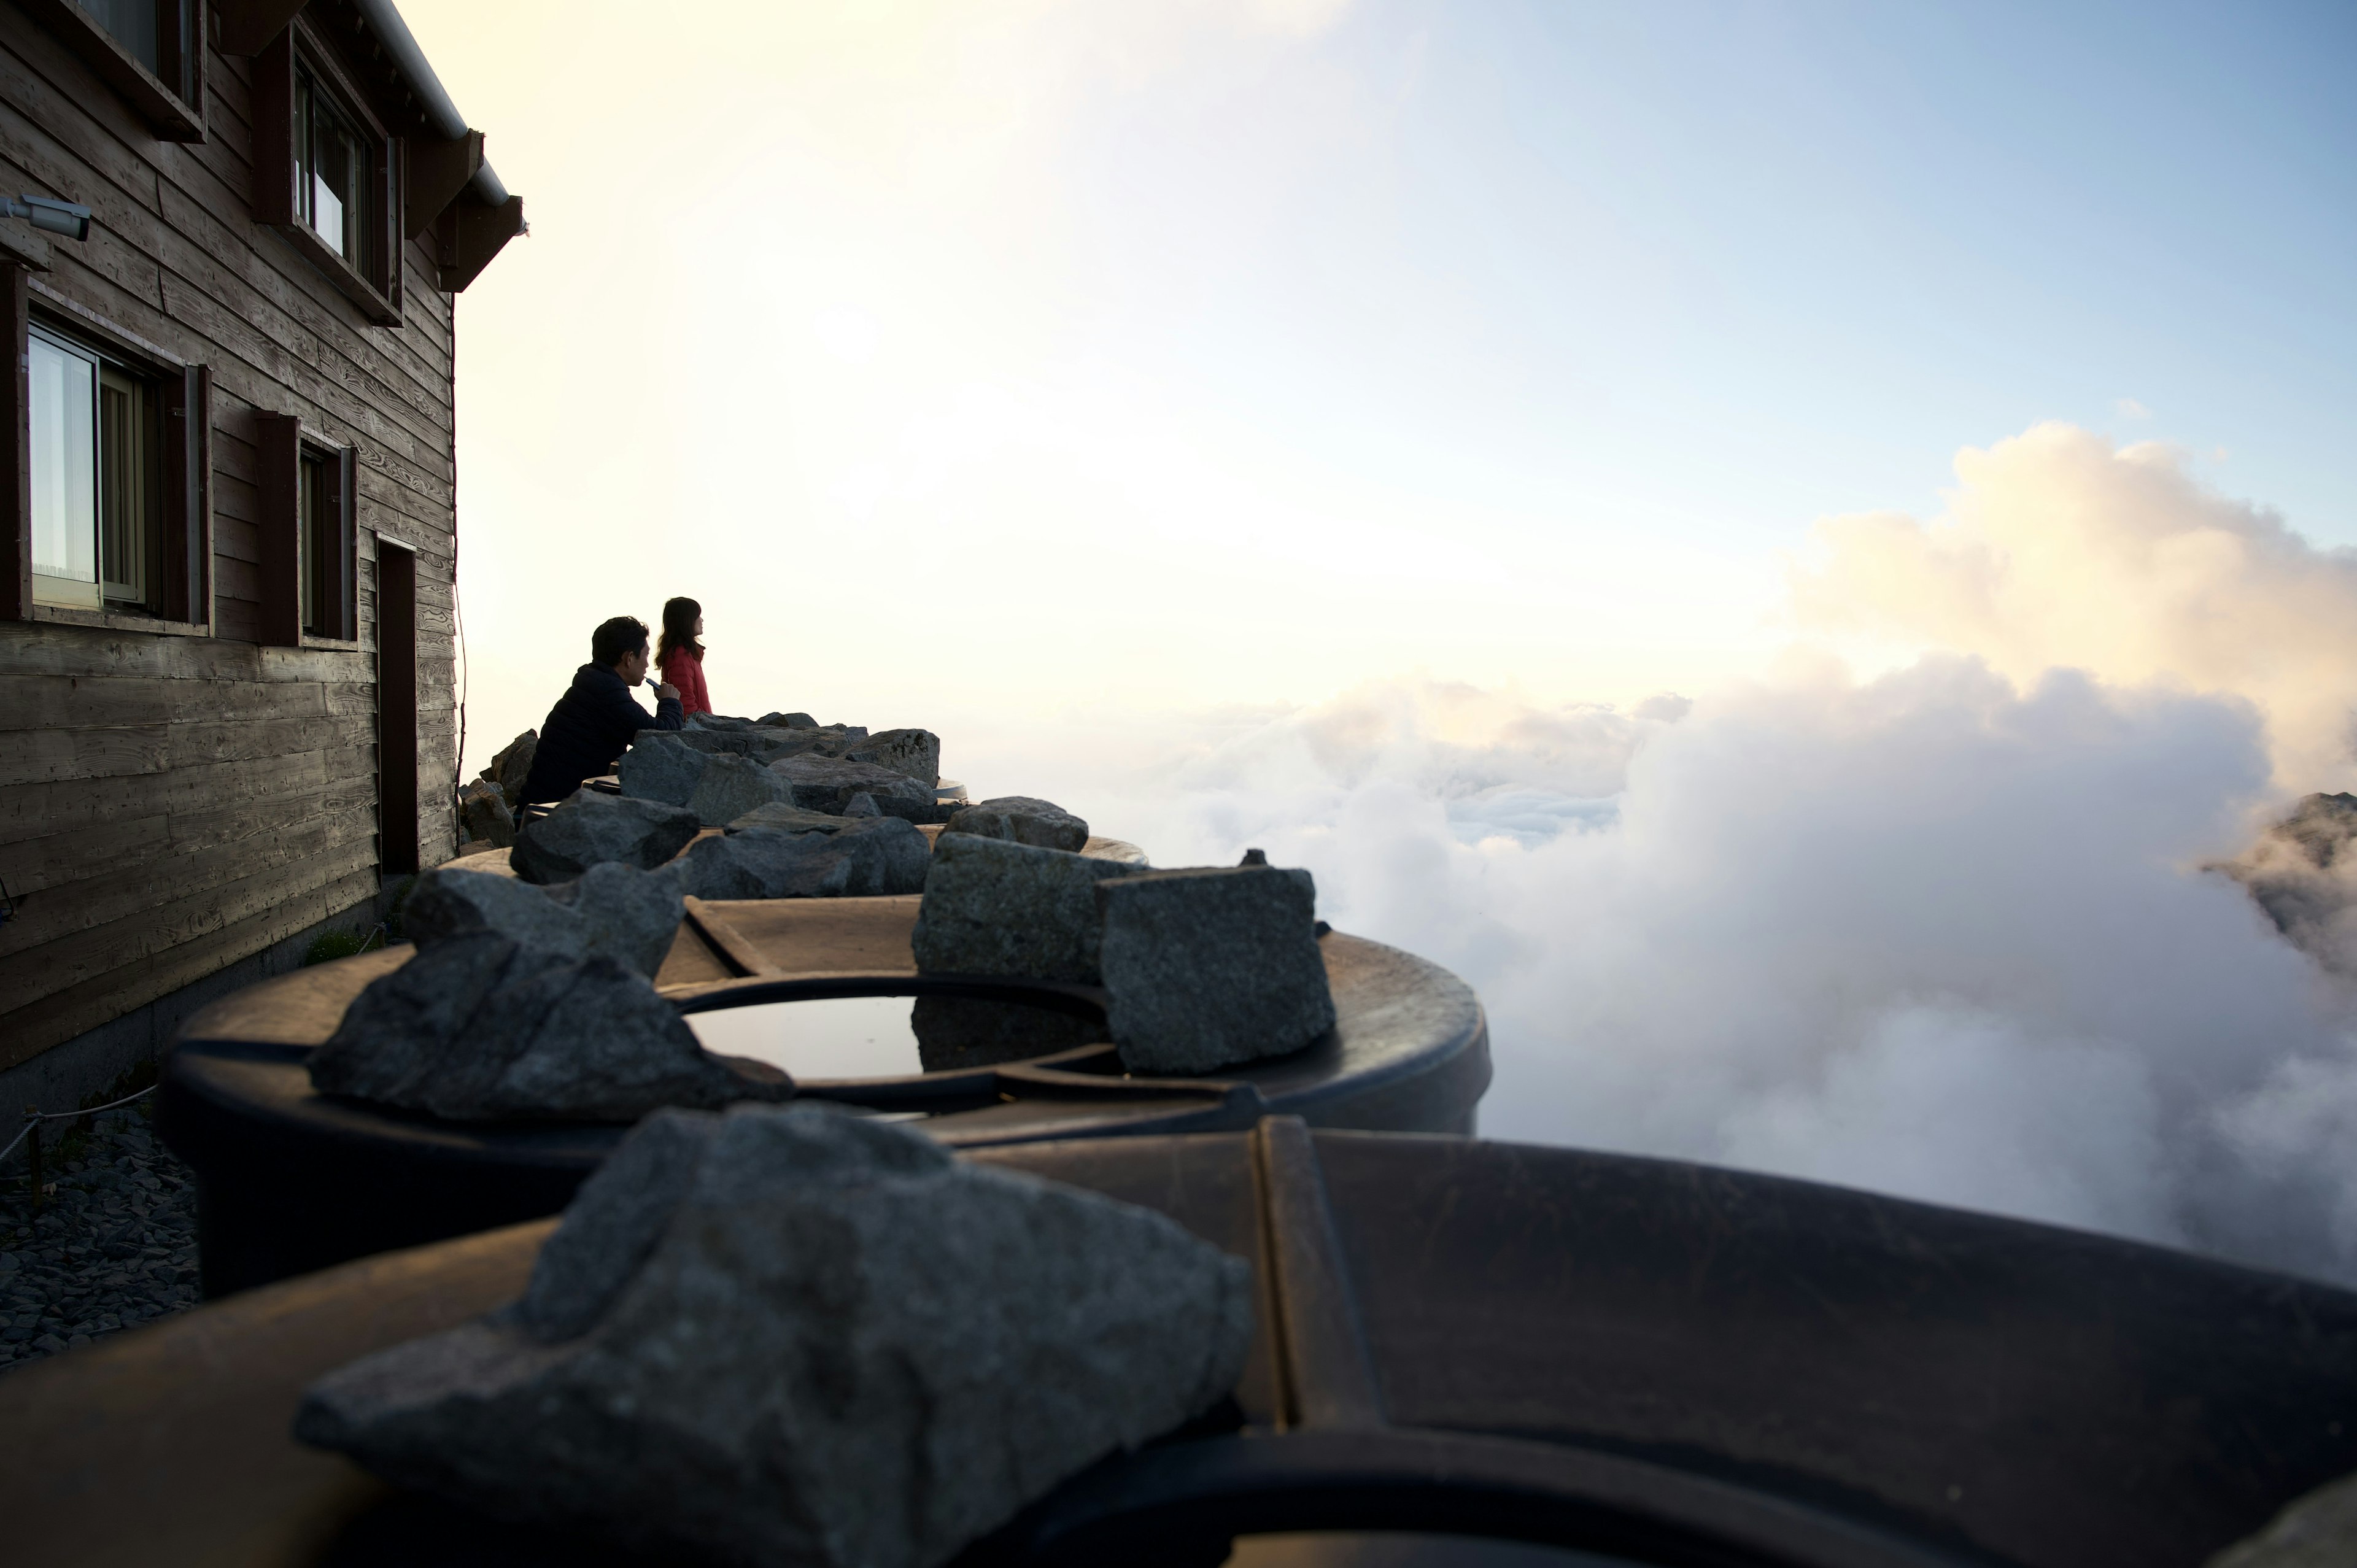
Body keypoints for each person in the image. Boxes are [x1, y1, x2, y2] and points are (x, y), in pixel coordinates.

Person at [518, 616, 684, 805]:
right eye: (645, 656)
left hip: (541, 806)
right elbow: (662, 739)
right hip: (552, 817)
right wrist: (670, 702)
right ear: (629, 658)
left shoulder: (594, 684)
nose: (648, 664)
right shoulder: (607, 693)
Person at [656, 596, 711, 718]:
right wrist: (706, 723)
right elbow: (685, 702)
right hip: (695, 728)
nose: (701, 620)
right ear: (687, 620)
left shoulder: (687, 654)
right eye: (697, 616)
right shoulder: (680, 656)